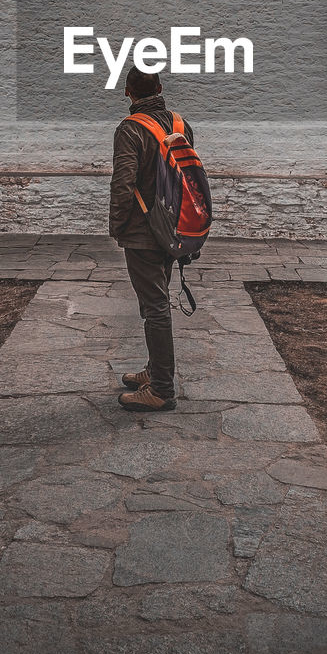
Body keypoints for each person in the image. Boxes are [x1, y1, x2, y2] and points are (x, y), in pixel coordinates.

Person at [109, 66, 194, 412]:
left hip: (143, 233)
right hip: (172, 229)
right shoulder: (179, 124)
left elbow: (123, 183)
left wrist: (117, 226)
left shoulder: (130, 129)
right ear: (159, 88)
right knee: (155, 303)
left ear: (128, 93)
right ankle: (156, 370)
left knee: (155, 308)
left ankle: (160, 389)